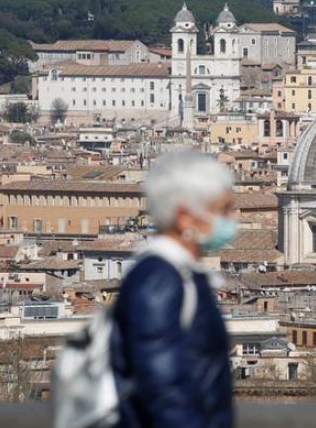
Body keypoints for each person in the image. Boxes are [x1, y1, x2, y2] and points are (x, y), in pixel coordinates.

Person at [110, 150, 237, 428]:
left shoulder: (179, 275)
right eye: (223, 209)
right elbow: (161, 388)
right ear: (185, 217)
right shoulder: (158, 280)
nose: (233, 217)